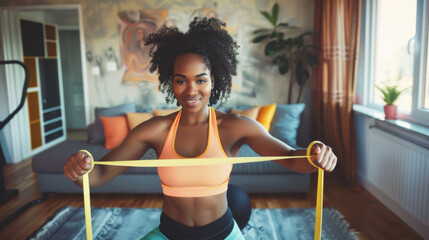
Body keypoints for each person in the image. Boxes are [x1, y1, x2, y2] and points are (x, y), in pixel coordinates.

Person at [64, 17, 337, 240]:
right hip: (170, 234)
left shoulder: (235, 128)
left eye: (201, 80)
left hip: (223, 232)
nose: (191, 90)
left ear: (213, 81)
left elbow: (293, 158)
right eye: (181, 81)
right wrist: (79, 169)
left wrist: (317, 155)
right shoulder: (155, 130)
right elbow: (96, 176)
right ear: (171, 83)